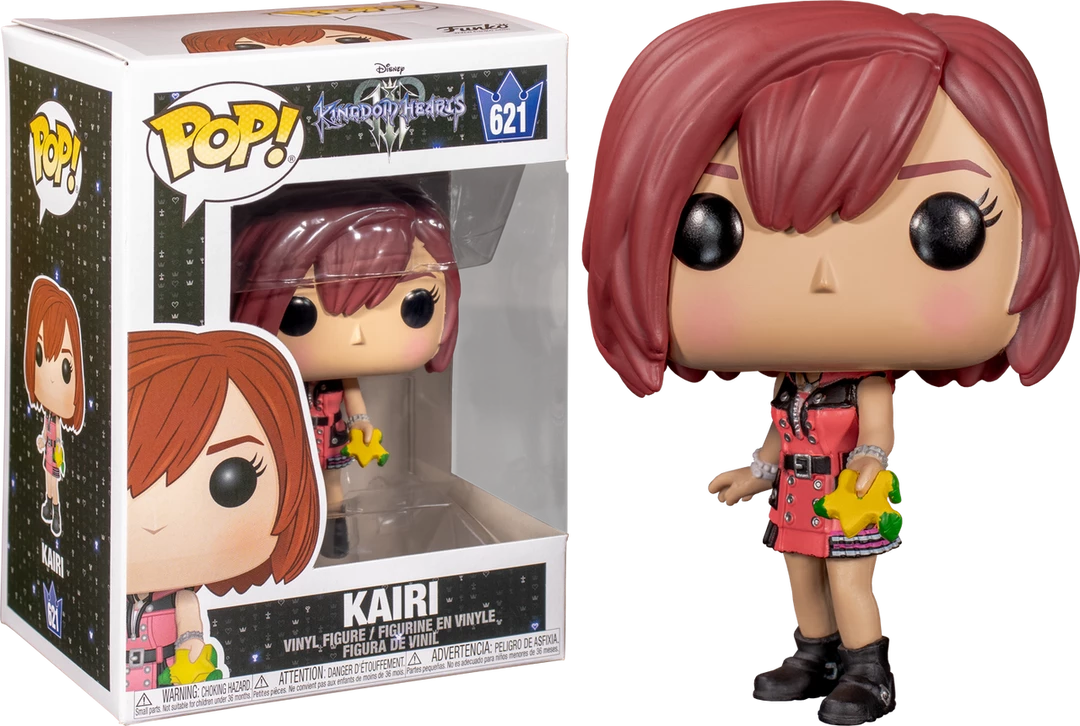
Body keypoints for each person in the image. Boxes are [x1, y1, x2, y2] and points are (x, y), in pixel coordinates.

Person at [581, 3, 1078, 723]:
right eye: (708, 231)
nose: (823, 277)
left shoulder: (865, 383)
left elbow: (875, 437)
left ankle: (868, 669)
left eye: (947, 226)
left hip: (848, 495)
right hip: (796, 490)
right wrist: (756, 470)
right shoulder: (792, 384)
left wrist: (870, 466)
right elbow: (781, 433)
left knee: (850, 580)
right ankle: (808, 653)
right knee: (800, 575)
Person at [232, 182, 460, 558]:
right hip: (293, 436)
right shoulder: (283, 378)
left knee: (332, 483)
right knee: (287, 483)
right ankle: (286, 541)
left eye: (415, 305)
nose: (357, 335)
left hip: (331, 432)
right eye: (299, 312)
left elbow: (351, 392)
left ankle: (334, 535)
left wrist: (362, 421)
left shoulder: (335, 377)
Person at [126, 329, 320, 691]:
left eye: (233, 482)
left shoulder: (181, 598)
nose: (156, 522)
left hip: (169, 684)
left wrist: (192, 650)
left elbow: (191, 636)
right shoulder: (110, 594)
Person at [24, 276, 86, 539]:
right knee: (48, 478)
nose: (50, 379)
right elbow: (46, 432)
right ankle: (49, 504)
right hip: (48, 450)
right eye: (39, 355)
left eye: (64, 369)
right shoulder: (48, 415)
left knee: (54, 479)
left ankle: (56, 508)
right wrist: (41, 440)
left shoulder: (57, 421)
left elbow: (57, 437)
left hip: (55, 452)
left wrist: (55, 449)